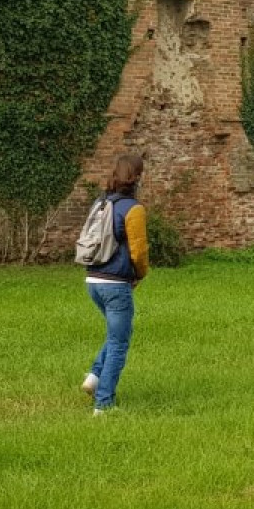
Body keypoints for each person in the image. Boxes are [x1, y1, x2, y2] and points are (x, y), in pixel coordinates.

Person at [81, 152, 151, 415]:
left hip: (92, 281)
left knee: (116, 335)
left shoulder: (99, 203)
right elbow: (139, 251)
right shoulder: (133, 209)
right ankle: (104, 404)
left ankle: (94, 377)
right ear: (137, 177)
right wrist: (140, 274)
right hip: (116, 284)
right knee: (120, 342)